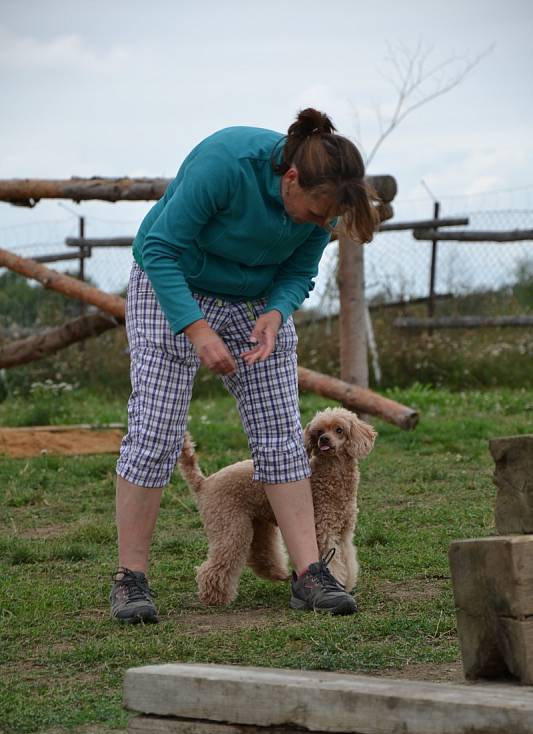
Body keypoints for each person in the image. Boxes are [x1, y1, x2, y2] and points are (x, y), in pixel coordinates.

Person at [110, 107, 379, 623]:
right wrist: (195, 326)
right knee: (157, 432)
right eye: (317, 213)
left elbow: (300, 270)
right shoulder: (226, 163)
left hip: (254, 304)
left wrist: (277, 312)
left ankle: (310, 576)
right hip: (172, 285)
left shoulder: (326, 206)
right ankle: (131, 580)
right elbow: (159, 248)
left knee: (281, 431)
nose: (320, 225)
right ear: (291, 177)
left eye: (329, 219)